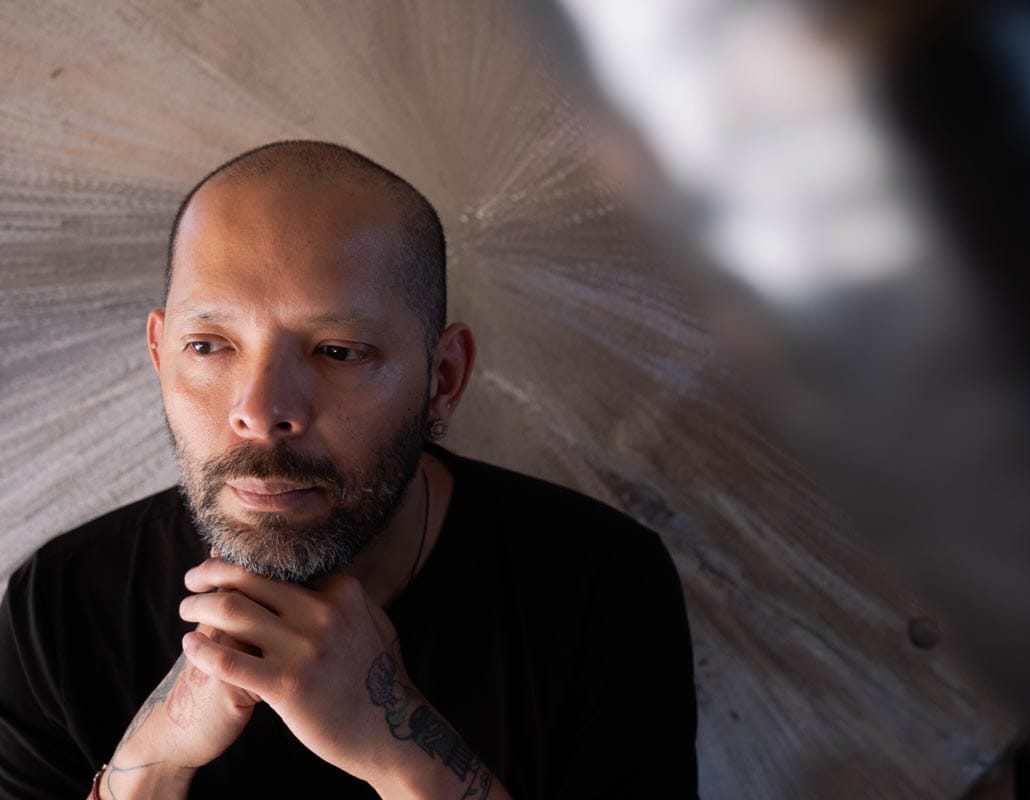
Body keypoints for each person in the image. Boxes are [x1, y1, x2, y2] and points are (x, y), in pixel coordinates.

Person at [0, 141, 698, 799]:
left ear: (443, 378)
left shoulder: (599, 586)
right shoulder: (59, 607)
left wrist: (402, 753)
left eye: (338, 351)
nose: (261, 410)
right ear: (160, 357)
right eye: (210, 346)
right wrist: (149, 767)